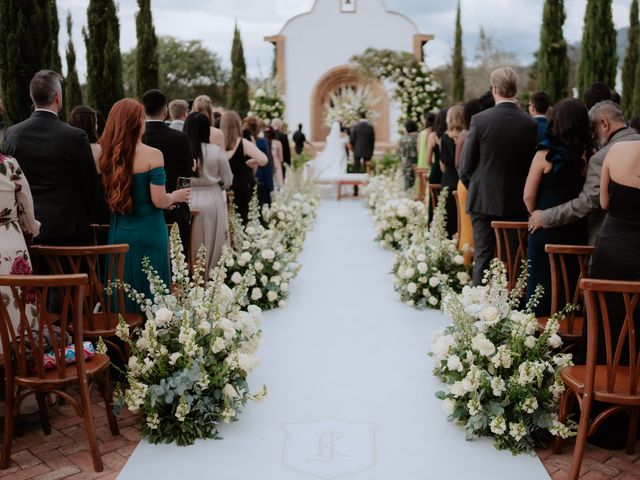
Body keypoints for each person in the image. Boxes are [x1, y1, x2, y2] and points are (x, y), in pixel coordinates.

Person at [100, 99, 191, 310]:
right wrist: (175, 196)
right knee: (153, 290)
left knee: (123, 287)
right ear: (137, 123)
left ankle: (122, 336)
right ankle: (150, 338)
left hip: (119, 231)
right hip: (150, 231)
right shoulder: (153, 155)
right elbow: (159, 200)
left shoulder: (105, 154)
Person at [460, 67, 538, 285]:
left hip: (483, 201)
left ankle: (478, 311)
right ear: (515, 89)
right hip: (516, 204)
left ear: (494, 89)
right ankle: (511, 310)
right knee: (513, 259)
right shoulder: (530, 124)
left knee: (483, 257)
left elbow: (465, 167)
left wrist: (477, 186)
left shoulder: (480, 120)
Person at [4, 70, 99, 246]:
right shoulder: (75, 136)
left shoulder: (13, 134)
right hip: (70, 231)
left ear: (32, 97)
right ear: (58, 97)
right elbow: (90, 186)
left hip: (27, 229)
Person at [586, 139, 640, 450]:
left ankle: (600, 414)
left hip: (613, 247)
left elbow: (604, 203)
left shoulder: (617, 151)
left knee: (608, 322)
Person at [528, 101, 640, 245]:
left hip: (611, 241)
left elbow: (587, 202)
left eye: (593, 128)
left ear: (604, 124)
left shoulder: (602, 157)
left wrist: (545, 217)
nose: (592, 136)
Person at [523, 99, 590, 316]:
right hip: (576, 233)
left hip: (543, 232)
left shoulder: (543, 154)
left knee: (539, 293)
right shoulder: (589, 156)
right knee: (569, 290)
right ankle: (567, 338)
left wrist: (535, 214)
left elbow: (528, 194)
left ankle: (537, 340)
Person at [140, 89, 193, 256]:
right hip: (174, 209)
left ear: (143, 109)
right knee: (176, 262)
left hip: (144, 209)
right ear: (165, 111)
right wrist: (178, 200)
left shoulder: (139, 138)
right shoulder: (179, 138)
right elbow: (186, 174)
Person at [184, 112, 232, 272]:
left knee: (190, 242)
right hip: (212, 197)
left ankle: (191, 279)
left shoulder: (182, 150)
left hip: (187, 197)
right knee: (213, 240)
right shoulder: (216, 151)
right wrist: (218, 186)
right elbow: (228, 179)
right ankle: (210, 279)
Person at [221, 111, 268, 223]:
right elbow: (263, 160)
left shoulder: (217, 143)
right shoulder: (243, 143)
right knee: (242, 218)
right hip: (242, 186)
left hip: (223, 186)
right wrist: (252, 161)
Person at [68, 105, 110, 226]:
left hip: (74, 206)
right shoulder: (100, 150)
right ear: (92, 125)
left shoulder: (66, 149)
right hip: (99, 204)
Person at [454, 100, 483, 260]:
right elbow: (461, 165)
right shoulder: (467, 133)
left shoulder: (468, 132)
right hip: (468, 183)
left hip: (468, 182)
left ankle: (465, 260)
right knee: (468, 227)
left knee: (467, 227)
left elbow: (459, 163)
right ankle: (465, 260)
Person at [440, 105, 464, 238]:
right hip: (462, 181)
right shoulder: (467, 136)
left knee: (448, 219)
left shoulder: (444, 138)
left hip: (448, 179)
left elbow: (443, 163)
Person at [350, 111, 375, 175]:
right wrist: (371, 151)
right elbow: (372, 140)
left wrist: (353, 148)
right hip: (368, 150)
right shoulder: (370, 127)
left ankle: (355, 184)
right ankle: (367, 183)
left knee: (356, 168)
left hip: (357, 149)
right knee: (366, 168)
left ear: (359, 117)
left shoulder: (355, 126)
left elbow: (352, 139)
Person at [397, 120, 419, 190]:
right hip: (418, 162)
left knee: (408, 183)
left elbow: (399, 152)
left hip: (406, 163)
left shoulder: (402, 139)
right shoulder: (419, 136)